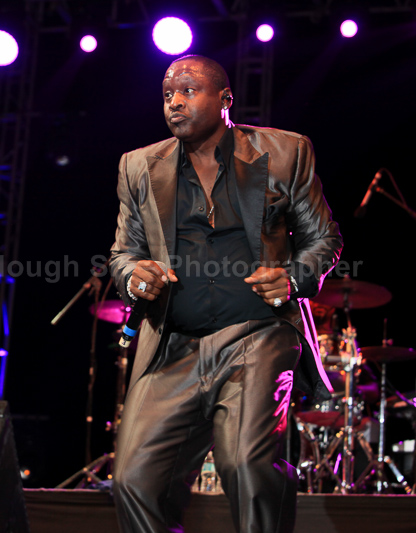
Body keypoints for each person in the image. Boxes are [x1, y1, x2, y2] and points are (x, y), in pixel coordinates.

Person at [109, 55, 342, 532]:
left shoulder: (286, 152)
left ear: (225, 99)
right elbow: (123, 253)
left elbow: (324, 239)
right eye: (167, 94)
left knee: (246, 466)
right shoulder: (138, 166)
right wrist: (134, 276)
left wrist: (293, 277)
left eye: (188, 91)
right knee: (134, 480)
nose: (174, 102)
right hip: (173, 344)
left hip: (256, 334)